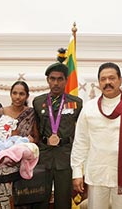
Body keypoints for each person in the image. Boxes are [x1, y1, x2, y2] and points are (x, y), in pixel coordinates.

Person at [71, 62, 122, 208]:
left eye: (112, 78)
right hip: (97, 174)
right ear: (98, 83)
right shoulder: (89, 108)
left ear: (120, 80)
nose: (107, 82)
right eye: (103, 79)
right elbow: (81, 142)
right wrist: (77, 172)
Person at [32, 62, 83, 209]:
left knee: (63, 201)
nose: (56, 83)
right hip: (43, 157)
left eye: (60, 79)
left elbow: (81, 133)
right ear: (48, 80)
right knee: (40, 198)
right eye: (52, 79)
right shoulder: (38, 102)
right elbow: (35, 129)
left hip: (65, 157)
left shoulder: (76, 103)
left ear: (66, 81)